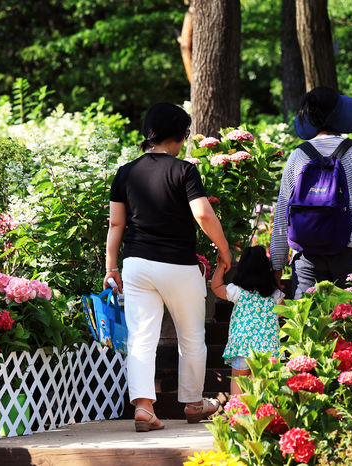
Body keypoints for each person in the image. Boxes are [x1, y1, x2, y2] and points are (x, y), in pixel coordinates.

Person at [104, 102, 232, 431]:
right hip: (178, 265)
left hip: (136, 265)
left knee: (141, 338)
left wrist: (111, 266)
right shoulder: (183, 171)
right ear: (177, 136)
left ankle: (145, 409)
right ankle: (192, 403)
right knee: (191, 335)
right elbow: (203, 214)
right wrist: (224, 248)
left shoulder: (126, 172)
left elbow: (116, 225)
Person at [270, 86, 352, 298]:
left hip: (307, 253)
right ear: (340, 114)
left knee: (308, 321)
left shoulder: (298, 156)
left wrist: (277, 263)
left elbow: (282, 214)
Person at [210, 246, 284, 395]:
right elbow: (284, 313)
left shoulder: (237, 291)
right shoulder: (275, 295)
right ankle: (259, 415)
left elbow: (216, 286)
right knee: (262, 384)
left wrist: (221, 266)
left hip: (242, 346)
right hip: (266, 350)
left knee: (238, 380)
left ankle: (236, 413)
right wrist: (276, 281)